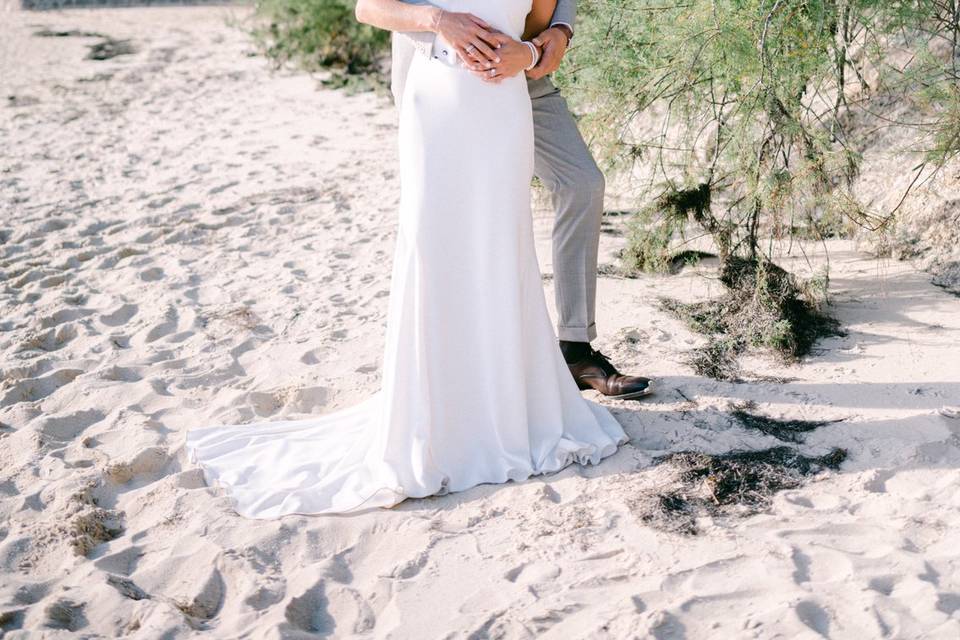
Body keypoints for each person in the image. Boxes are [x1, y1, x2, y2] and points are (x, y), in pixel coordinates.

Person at [185, 0, 631, 519]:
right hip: (439, 84)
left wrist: (544, 42)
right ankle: (440, 403)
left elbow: (553, 22)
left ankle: (565, 355)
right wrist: (442, 25)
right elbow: (371, 7)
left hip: (516, 85)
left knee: (516, 232)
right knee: (440, 244)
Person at [384, 0, 653, 400]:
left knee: (581, 183)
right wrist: (441, 23)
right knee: (457, 217)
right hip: (442, 75)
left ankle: (576, 349)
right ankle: (452, 369)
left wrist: (561, 31)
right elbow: (370, 7)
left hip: (525, 75)